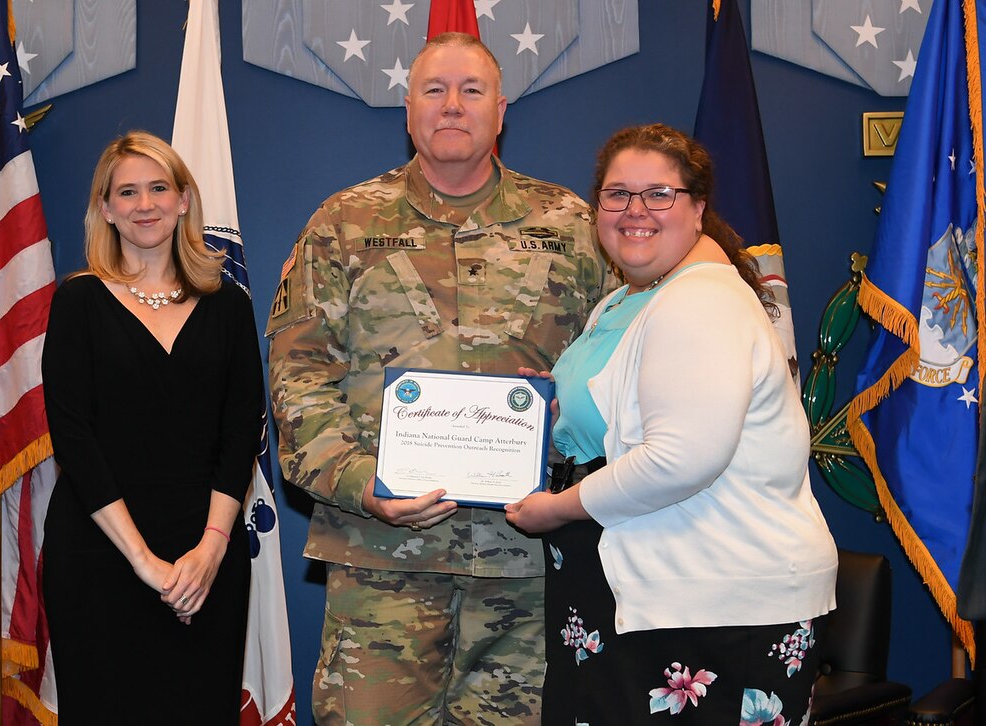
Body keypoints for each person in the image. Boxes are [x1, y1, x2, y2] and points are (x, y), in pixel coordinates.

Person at [266, 32, 613, 725]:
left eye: (471, 90)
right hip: (382, 563)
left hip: (529, 561)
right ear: (408, 109)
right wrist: (357, 482)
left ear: (501, 110)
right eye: (434, 90)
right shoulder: (343, 224)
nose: (452, 105)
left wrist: (571, 417)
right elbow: (298, 371)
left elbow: (621, 365)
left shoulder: (572, 226)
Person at [505, 123, 838, 724]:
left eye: (659, 193)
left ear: (698, 209)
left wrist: (554, 509)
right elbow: (615, 416)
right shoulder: (628, 299)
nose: (636, 210)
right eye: (616, 194)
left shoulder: (700, 301)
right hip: (642, 591)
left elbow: (680, 459)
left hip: (713, 606)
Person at [41, 131, 264, 723]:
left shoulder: (228, 304)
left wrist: (209, 553)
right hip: (101, 552)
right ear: (106, 209)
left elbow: (242, 431)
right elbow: (74, 441)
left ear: (185, 199)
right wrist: (145, 563)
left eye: (159, 188)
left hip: (207, 555)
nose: (146, 204)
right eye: (128, 192)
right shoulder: (79, 302)